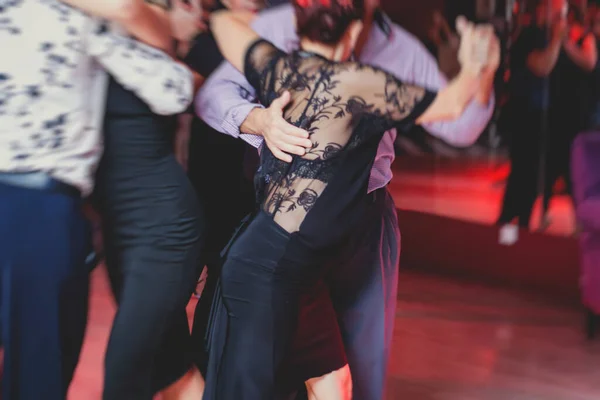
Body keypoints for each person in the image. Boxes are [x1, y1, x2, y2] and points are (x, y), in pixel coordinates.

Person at [194, 1, 497, 399]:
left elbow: (225, 26)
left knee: (338, 381)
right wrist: (477, 62)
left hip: (304, 253)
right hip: (272, 268)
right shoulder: (360, 83)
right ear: (352, 33)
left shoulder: (276, 65)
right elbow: (455, 102)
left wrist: (222, 16)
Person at [0, 1, 193, 399]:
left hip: (120, 219)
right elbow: (174, 89)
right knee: (37, 375)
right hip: (38, 209)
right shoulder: (83, 16)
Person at [59, 0, 206, 398]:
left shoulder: (145, 27)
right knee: (167, 367)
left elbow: (128, 10)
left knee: (125, 371)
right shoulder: (79, 38)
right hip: (121, 230)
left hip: (164, 228)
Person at [497, 0, 595, 236]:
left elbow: (586, 64)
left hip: (545, 120)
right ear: (543, 10)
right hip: (524, 118)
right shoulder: (529, 36)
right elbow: (543, 66)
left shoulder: (555, 37)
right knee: (522, 178)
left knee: (537, 178)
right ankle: (506, 234)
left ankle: (522, 231)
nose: (559, 18)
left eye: (562, 14)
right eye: (556, 12)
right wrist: (558, 39)